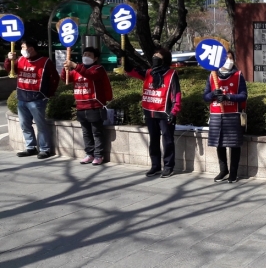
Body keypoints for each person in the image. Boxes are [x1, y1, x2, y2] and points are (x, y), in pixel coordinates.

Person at [126, 48, 181, 178]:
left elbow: (176, 94)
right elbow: (132, 72)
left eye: (158, 56)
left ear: (164, 59)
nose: (154, 57)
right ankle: (155, 166)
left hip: (165, 112)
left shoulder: (171, 74)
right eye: (154, 55)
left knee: (167, 141)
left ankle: (168, 166)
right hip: (150, 112)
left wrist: (174, 111)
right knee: (153, 140)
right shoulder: (149, 72)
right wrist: (126, 60)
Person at [4, 38, 59, 159]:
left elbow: (54, 78)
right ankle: (30, 147)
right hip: (22, 97)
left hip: (37, 99)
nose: (22, 50)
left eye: (23, 47)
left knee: (41, 125)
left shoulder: (45, 61)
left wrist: (48, 94)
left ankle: (45, 149)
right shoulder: (19, 59)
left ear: (31, 49)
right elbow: (10, 69)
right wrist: (9, 60)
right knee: (25, 125)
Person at [60, 47, 113, 165]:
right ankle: (89, 154)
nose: (86, 56)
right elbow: (66, 79)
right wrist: (65, 70)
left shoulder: (98, 69)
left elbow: (90, 75)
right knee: (86, 133)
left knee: (97, 132)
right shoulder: (77, 70)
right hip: (80, 106)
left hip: (94, 105)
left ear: (96, 58)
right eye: (84, 54)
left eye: (89, 55)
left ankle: (99, 155)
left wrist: (74, 65)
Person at [203, 49, 247, 183]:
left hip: (233, 115)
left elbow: (243, 95)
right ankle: (223, 170)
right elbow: (205, 96)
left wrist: (228, 96)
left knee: (234, 145)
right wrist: (213, 94)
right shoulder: (212, 76)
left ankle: (233, 172)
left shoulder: (238, 75)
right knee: (219, 143)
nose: (228, 61)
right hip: (216, 115)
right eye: (225, 58)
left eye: (230, 58)